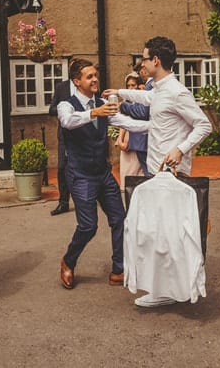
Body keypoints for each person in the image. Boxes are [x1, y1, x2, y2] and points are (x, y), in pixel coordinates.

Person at [103, 36, 212, 307]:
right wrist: (119, 90)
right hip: (156, 173)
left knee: (173, 237)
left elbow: (204, 125)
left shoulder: (177, 92)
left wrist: (180, 149)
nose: (142, 63)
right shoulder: (160, 89)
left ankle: (175, 290)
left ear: (156, 61)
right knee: (159, 235)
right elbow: (147, 96)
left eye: (144, 58)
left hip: (173, 175)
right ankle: (165, 289)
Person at [56, 59, 141, 290]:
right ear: (77, 81)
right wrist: (94, 112)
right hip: (80, 174)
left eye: (95, 75)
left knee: (120, 219)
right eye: (89, 76)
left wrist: (156, 125)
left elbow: (124, 122)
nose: (94, 79)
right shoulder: (67, 105)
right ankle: (68, 261)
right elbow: (68, 122)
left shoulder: (103, 103)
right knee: (88, 226)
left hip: (102, 173)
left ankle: (118, 268)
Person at [120, 62, 152, 176]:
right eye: (128, 86)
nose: (130, 88)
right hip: (136, 138)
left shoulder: (148, 88)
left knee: (148, 172)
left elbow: (142, 112)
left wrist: (121, 106)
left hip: (142, 137)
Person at [48, 77, 74, 215]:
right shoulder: (61, 87)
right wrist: (64, 111)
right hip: (65, 135)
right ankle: (63, 202)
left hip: (84, 134)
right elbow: (51, 109)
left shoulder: (88, 86)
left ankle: (91, 198)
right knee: (62, 168)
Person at [116, 72, 144, 186]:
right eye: (128, 86)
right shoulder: (124, 103)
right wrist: (120, 140)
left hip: (139, 137)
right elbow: (122, 123)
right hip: (127, 136)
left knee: (139, 171)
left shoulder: (141, 102)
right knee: (128, 170)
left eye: (133, 85)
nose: (131, 88)